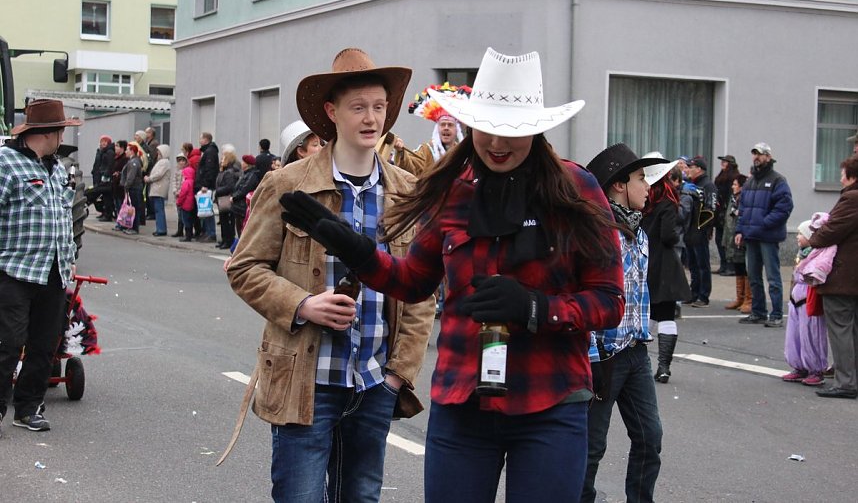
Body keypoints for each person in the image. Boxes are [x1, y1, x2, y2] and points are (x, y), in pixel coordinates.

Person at [279, 47, 625, 502]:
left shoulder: (577, 189)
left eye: (512, 132)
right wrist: (357, 249)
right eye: (487, 129)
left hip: (550, 402)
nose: (497, 144)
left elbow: (610, 302)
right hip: (462, 403)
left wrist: (538, 309)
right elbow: (412, 282)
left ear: (537, 131)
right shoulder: (453, 188)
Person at [225, 47, 435, 502]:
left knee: (360, 497)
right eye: (358, 107)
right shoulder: (288, 184)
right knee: (299, 496)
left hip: (375, 381)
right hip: (306, 378)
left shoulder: (407, 193)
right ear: (331, 112)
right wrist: (302, 304)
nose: (371, 118)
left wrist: (397, 374)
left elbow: (421, 292)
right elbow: (243, 267)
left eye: (379, 107)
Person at [584, 144, 665, 503]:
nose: (648, 186)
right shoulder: (596, 234)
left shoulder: (640, 233)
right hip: (602, 355)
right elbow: (583, 294)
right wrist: (590, 357)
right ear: (618, 185)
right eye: (640, 178)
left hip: (635, 351)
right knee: (591, 446)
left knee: (650, 437)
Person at [0, 99, 81, 435]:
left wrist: (70, 260)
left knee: (44, 344)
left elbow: (63, 217)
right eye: (62, 130)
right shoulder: (6, 164)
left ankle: (28, 408)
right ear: (50, 133)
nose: (63, 137)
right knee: (8, 342)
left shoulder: (56, 168)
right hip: (14, 270)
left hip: (53, 271)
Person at [641, 152, 692, 384]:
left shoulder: (641, 197)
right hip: (665, 264)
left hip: (644, 261)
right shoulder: (668, 200)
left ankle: (641, 364)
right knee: (667, 316)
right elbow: (668, 235)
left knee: (647, 315)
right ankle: (663, 367)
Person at [811, 155, 858, 399]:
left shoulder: (851, 198)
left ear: (852, 177)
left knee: (841, 329)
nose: (840, 179)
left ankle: (846, 382)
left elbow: (830, 232)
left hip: (844, 275)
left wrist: (814, 237)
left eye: (843, 174)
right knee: (853, 330)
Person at [736, 142, 794, 327]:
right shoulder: (750, 181)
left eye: (760, 154)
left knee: (773, 278)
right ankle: (758, 312)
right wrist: (739, 230)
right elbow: (742, 208)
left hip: (768, 236)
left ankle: (776, 314)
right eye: (754, 154)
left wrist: (764, 223)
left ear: (768, 157)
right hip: (751, 236)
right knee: (753, 277)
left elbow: (784, 207)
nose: (756, 157)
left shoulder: (778, 180)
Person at [781, 216, 830, 387]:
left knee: (811, 334)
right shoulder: (801, 254)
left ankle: (815, 369)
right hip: (796, 298)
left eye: (801, 234)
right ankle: (799, 365)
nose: (797, 236)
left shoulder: (818, 254)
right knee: (795, 334)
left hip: (809, 297)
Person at [395, 82, 470, 176]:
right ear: (437, 129)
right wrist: (401, 151)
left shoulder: (462, 153)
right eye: (442, 125)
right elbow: (410, 168)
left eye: (450, 125)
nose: (446, 128)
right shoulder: (426, 150)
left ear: (457, 130)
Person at [683, 156, 717, 308]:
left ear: (699, 169)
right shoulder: (690, 185)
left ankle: (704, 295)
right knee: (693, 265)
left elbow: (712, 209)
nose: (688, 169)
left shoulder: (708, 186)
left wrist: (703, 228)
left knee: (702, 264)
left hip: (700, 231)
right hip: (689, 230)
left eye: (691, 167)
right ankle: (693, 293)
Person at [722, 174, 751, 313]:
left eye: (735, 184)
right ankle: (740, 298)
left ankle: (748, 299)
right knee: (738, 266)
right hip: (732, 236)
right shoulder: (734, 198)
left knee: (745, 267)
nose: (733, 186)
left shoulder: (744, 198)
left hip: (741, 237)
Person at [714, 154, 740, 275]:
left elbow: (732, 196)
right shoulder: (721, 176)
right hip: (719, 212)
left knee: (728, 240)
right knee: (719, 239)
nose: (723, 163)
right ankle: (723, 264)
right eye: (722, 161)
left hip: (728, 212)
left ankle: (730, 266)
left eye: (725, 162)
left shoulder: (734, 177)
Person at [196, 132, 219, 243]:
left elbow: (209, 170)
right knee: (204, 209)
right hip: (205, 185)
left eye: (201, 138)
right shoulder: (207, 151)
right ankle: (206, 232)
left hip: (207, 186)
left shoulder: (210, 152)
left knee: (207, 210)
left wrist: (206, 184)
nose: (200, 141)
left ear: (206, 139)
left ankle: (211, 233)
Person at [214, 150, 240, 249]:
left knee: (227, 221)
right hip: (222, 198)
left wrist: (218, 190)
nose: (221, 160)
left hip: (225, 198)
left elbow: (230, 186)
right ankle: (224, 239)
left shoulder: (229, 172)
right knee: (223, 220)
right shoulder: (224, 171)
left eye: (223, 158)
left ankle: (228, 240)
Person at [144, 144, 171, 237]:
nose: (157, 153)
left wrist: (149, 178)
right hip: (157, 188)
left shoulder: (164, 162)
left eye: (159, 151)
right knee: (158, 209)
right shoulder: (162, 161)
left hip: (159, 188)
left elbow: (158, 174)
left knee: (159, 210)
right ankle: (160, 228)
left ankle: (161, 229)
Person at [120, 142, 145, 235]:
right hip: (134, 187)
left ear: (132, 151)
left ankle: (135, 228)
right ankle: (130, 226)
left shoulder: (134, 162)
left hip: (134, 188)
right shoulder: (132, 161)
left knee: (134, 209)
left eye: (127, 150)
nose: (125, 152)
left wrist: (126, 186)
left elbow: (131, 176)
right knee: (132, 208)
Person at [91, 134, 115, 221]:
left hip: (105, 177)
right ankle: (104, 212)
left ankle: (108, 214)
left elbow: (109, 165)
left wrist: (105, 175)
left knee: (107, 197)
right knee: (103, 197)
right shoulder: (101, 151)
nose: (103, 143)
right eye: (102, 141)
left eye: (105, 142)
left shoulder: (109, 152)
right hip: (99, 175)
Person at [175, 163, 197, 243]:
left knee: (185, 220)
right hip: (191, 204)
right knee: (190, 220)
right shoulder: (192, 182)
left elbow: (182, 194)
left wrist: (179, 202)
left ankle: (188, 236)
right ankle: (190, 234)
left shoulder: (186, 182)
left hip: (185, 204)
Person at [171, 154, 189, 237]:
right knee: (179, 213)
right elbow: (174, 181)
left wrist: (180, 192)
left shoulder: (186, 171)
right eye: (179, 161)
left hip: (183, 195)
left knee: (183, 213)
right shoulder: (177, 171)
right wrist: (175, 191)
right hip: (177, 195)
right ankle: (180, 230)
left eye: (183, 161)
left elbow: (184, 183)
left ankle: (186, 230)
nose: (181, 162)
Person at [111, 140, 129, 222]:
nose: (115, 148)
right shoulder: (116, 158)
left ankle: (123, 222)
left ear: (122, 148)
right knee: (117, 205)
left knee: (122, 205)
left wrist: (119, 174)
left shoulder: (125, 159)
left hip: (120, 186)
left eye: (117, 146)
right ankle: (120, 222)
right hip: (115, 185)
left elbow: (125, 172)